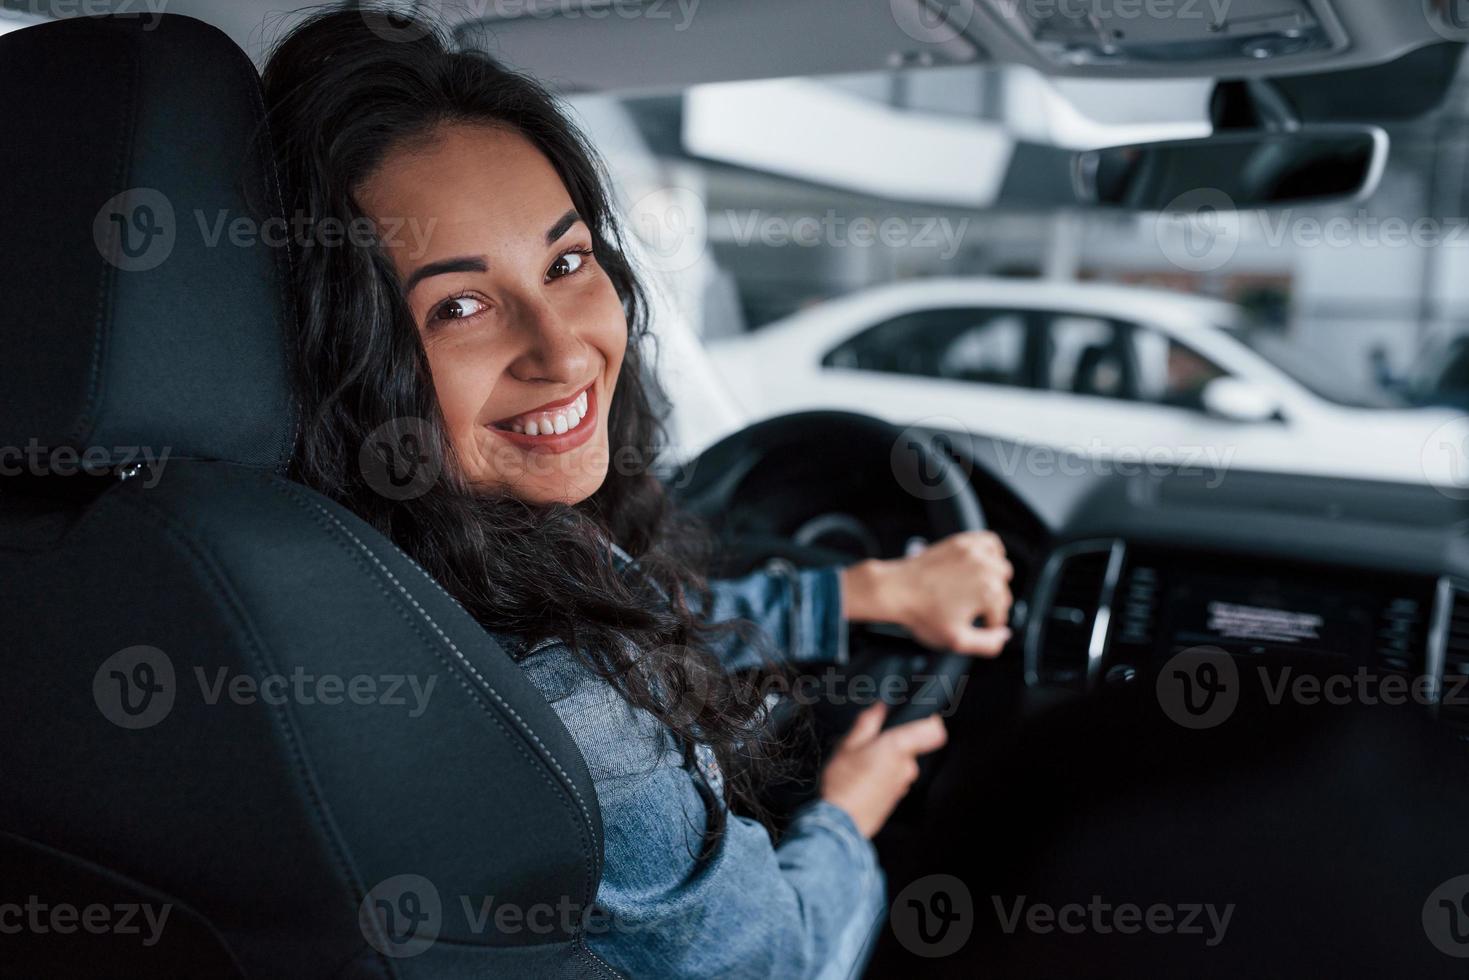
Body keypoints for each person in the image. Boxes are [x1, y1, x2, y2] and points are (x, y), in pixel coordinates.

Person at [262, 10, 1013, 977]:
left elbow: (640, 634)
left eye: (566, 262)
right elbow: (777, 961)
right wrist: (848, 813)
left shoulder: (309, 561)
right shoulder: (565, 709)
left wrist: (857, 595)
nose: (565, 350)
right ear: (344, 352)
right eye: (458, 306)